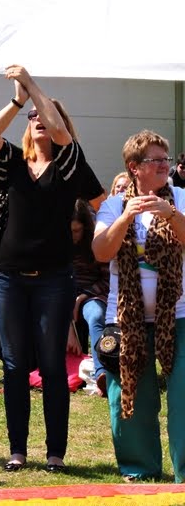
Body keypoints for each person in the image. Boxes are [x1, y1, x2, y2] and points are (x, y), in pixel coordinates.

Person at [0, 65, 104, 473]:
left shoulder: (69, 167)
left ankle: (55, 453)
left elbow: (64, 136)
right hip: (7, 279)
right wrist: (18, 99)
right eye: (32, 118)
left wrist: (32, 86)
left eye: (44, 116)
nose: (38, 121)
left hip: (53, 279)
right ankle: (17, 450)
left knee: (51, 366)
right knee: (14, 365)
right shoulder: (12, 164)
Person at [93, 129, 185, 482]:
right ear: (134, 167)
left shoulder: (179, 196)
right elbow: (101, 251)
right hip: (126, 319)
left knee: (182, 398)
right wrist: (125, 218)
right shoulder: (115, 205)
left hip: (178, 316)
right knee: (130, 397)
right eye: (156, 160)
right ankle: (140, 469)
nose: (165, 165)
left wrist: (171, 213)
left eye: (167, 158)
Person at [68, 200, 110, 395]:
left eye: (77, 231)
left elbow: (107, 278)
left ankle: (102, 374)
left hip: (92, 293)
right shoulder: (57, 243)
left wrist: (84, 296)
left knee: (95, 316)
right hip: (62, 294)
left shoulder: (96, 241)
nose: (73, 236)